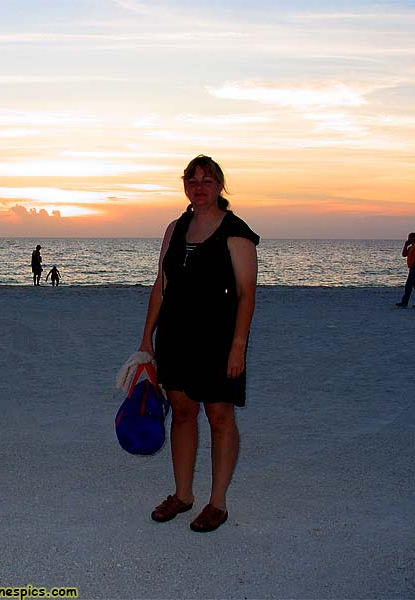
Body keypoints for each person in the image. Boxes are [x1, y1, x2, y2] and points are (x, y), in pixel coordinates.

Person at [138, 154, 259, 533]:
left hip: (219, 339)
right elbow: (162, 285)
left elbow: (247, 293)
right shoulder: (175, 228)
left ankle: (217, 503)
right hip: (175, 336)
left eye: (207, 180)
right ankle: (183, 495)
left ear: (220, 185)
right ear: (185, 185)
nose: (199, 187)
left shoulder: (235, 231)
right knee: (182, 412)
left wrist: (238, 345)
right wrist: (146, 338)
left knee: (219, 417)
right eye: (192, 180)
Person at [396, 233, 415, 308]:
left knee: (409, 285)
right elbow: (404, 254)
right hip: (413, 268)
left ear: (414, 238)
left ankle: (404, 302)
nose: (408, 239)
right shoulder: (411, 247)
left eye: (410, 238)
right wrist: (405, 245)